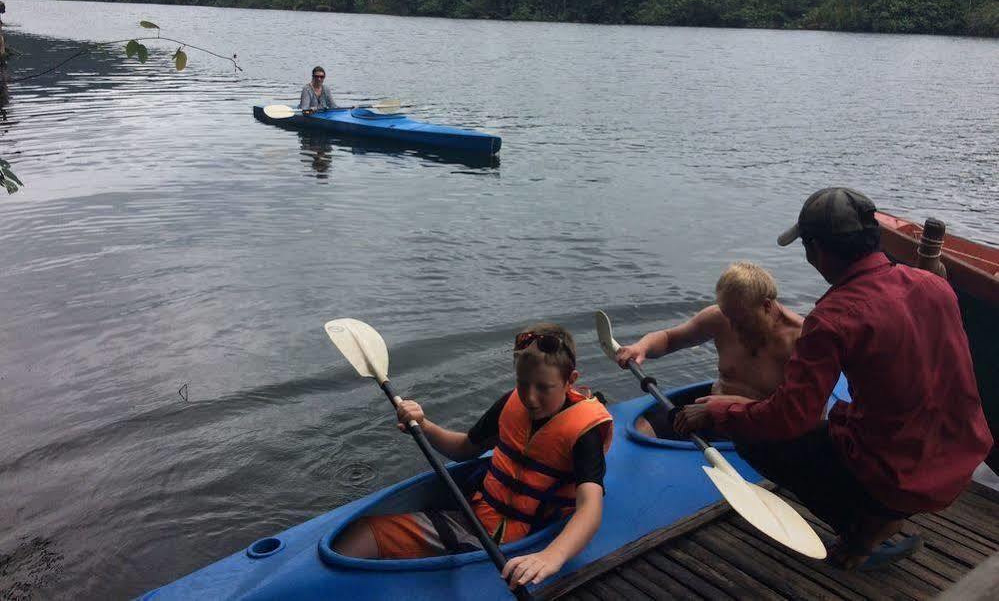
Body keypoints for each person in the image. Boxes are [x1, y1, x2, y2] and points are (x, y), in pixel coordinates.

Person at [675, 187, 993, 570]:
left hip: (900, 477)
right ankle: (882, 513)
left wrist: (721, 414)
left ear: (816, 252)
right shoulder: (936, 286)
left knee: (756, 438)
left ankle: (864, 528)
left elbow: (791, 419)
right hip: (962, 461)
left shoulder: (833, 318)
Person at [333, 322, 614, 590]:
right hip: (476, 518)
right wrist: (423, 425)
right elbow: (464, 449)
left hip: (525, 541)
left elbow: (590, 507)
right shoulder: (510, 403)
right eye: (522, 383)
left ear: (570, 381)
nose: (530, 397)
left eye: (543, 387)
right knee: (362, 533)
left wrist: (552, 556)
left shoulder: (584, 432)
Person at [615, 262, 803, 438]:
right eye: (729, 317)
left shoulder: (801, 339)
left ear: (766, 306)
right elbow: (669, 339)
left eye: (741, 320)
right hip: (708, 413)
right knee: (642, 430)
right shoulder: (722, 317)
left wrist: (726, 407)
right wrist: (641, 347)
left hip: (761, 428)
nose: (734, 328)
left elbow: (800, 413)